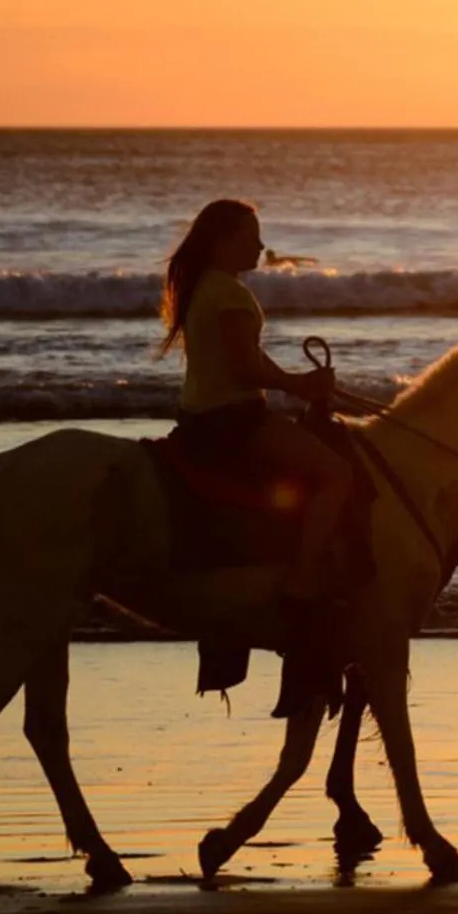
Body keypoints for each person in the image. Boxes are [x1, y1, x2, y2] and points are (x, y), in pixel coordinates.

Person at [160, 199, 354, 716]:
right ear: (224, 240)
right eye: (251, 235)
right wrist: (299, 384)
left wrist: (297, 383)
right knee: (336, 474)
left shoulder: (207, 286)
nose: (260, 246)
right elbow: (245, 368)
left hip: (204, 418)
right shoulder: (226, 291)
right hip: (234, 421)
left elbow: (246, 357)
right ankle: (303, 578)